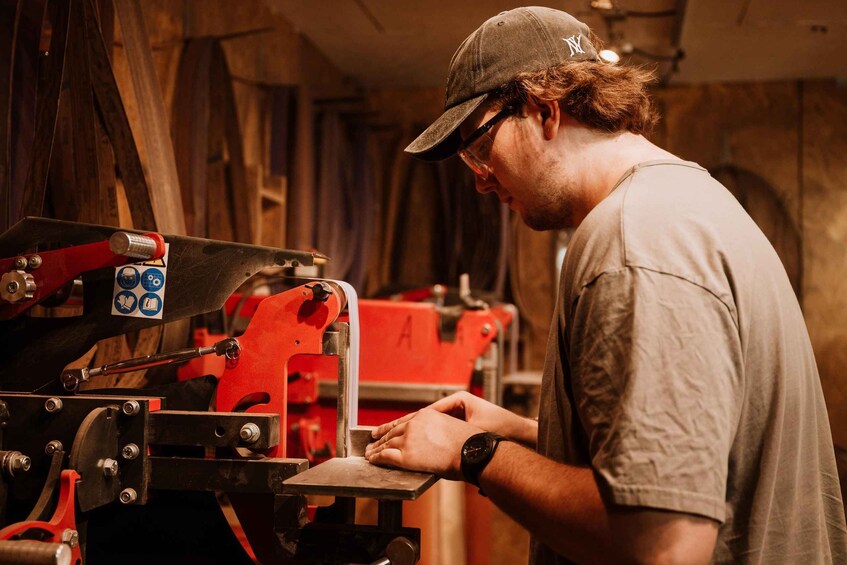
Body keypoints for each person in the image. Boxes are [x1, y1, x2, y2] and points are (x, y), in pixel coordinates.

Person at [363, 6, 847, 564]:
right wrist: (531, 433)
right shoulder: (689, 201)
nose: (480, 181)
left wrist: (475, 453)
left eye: (478, 148)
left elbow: (662, 544)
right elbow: (690, 451)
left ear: (544, 111)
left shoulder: (631, 241)